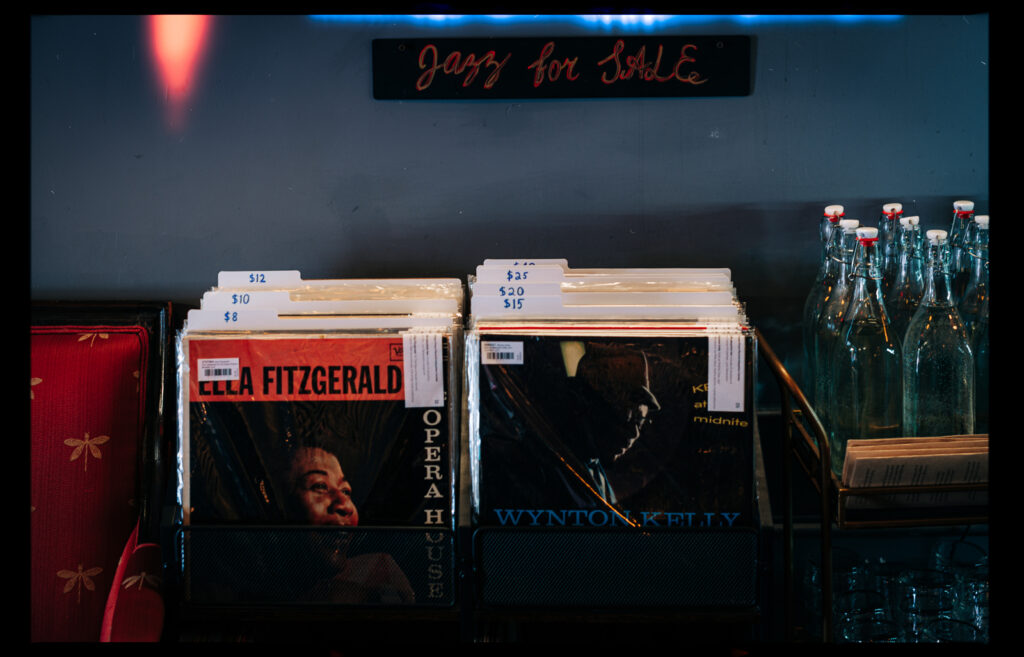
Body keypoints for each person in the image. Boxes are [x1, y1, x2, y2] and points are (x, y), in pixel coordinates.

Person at [283, 444, 415, 604]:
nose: (345, 505)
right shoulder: (265, 578)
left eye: (346, 491)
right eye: (319, 486)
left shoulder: (379, 567)